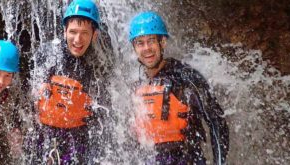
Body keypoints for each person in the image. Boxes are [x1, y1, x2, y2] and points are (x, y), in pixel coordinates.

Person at [128, 12, 229, 165]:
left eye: (151, 41)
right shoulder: (137, 85)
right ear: (134, 48)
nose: (146, 48)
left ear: (163, 42)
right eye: (140, 43)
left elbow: (217, 122)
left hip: (187, 159)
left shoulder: (186, 78)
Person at [28, 0, 107, 164]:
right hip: (44, 134)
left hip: (78, 136)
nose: (77, 40)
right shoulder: (49, 53)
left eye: (84, 33)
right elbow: (31, 91)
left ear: (94, 35)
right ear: (64, 31)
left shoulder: (97, 64)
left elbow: (104, 111)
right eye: (73, 32)